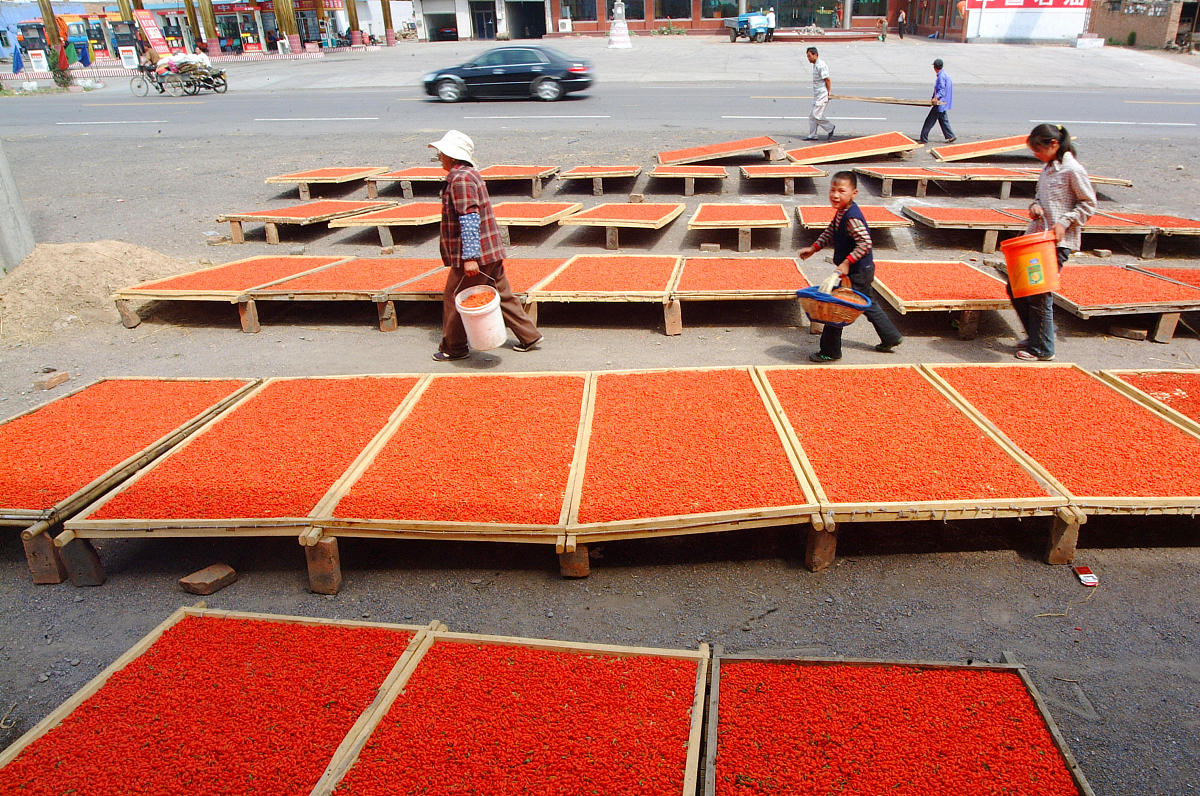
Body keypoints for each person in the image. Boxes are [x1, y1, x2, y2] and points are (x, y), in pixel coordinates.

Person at [429, 130, 543, 362]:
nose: (439, 157)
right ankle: (529, 336)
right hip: (490, 250)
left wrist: (470, 256)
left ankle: (454, 347)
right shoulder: (470, 174)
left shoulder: (460, 179)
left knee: (456, 297)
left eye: (441, 153)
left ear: (452, 155)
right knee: (502, 293)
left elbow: (468, 216)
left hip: (477, 254)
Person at [1009, 123, 1096, 362]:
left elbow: (1088, 204)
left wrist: (1065, 222)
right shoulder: (1049, 168)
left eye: (1038, 150)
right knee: (1016, 287)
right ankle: (1037, 337)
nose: (1036, 155)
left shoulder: (1071, 169)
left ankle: (1043, 348)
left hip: (1056, 242)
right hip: (1037, 238)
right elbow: (1040, 197)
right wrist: (1035, 206)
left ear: (1053, 144)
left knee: (1039, 292)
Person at [799, 171, 902, 362]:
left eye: (841, 191)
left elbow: (865, 243)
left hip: (858, 270)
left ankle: (830, 351)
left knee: (837, 307)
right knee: (867, 303)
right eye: (832, 190)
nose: (835, 195)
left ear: (853, 194)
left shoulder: (852, 217)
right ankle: (891, 336)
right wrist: (814, 248)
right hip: (859, 269)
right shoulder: (842, 212)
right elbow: (831, 231)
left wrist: (846, 263)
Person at [918, 58, 955, 144]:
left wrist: (936, 98)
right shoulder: (945, 74)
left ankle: (923, 138)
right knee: (943, 120)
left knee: (929, 121)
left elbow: (941, 90)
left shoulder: (941, 77)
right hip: (943, 102)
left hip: (940, 103)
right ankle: (951, 136)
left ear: (935, 67)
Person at [804, 47, 835, 141]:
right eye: (807, 56)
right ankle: (812, 135)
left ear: (815, 55)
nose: (808, 58)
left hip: (822, 93)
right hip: (817, 94)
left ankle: (830, 127)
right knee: (812, 116)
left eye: (809, 56)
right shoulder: (815, 64)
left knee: (816, 115)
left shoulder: (820, 65)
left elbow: (827, 79)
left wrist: (828, 93)